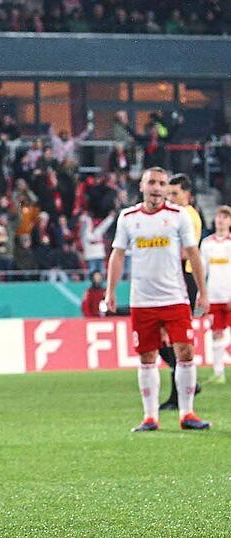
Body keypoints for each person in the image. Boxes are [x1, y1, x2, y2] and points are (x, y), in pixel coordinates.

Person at [104, 167, 210, 433]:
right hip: (142, 300)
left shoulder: (179, 217)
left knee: (185, 352)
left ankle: (187, 413)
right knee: (147, 356)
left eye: (162, 183)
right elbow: (117, 255)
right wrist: (110, 291)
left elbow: (193, 254)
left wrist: (202, 292)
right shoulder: (128, 218)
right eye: (152, 182)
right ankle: (150, 417)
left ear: (166, 189)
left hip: (175, 296)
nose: (157, 187)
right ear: (142, 186)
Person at [159, 173, 202, 410]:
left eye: (175, 194)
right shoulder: (176, 215)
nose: (172, 199)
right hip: (173, 278)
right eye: (169, 194)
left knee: (174, 340)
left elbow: (186, 252)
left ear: (188, 195)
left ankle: (179, 395)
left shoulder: (187, 216)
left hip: (183, 278)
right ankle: (187, 384)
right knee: (161, 339)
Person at [200, 205, 231, 384]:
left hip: (229, 294)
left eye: (225, 217)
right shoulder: (207, 243)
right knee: (216, 333)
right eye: (219, 216)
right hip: (214, 295)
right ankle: (219, 372)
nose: (221, 219)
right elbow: (203, 270)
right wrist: (201, 293)